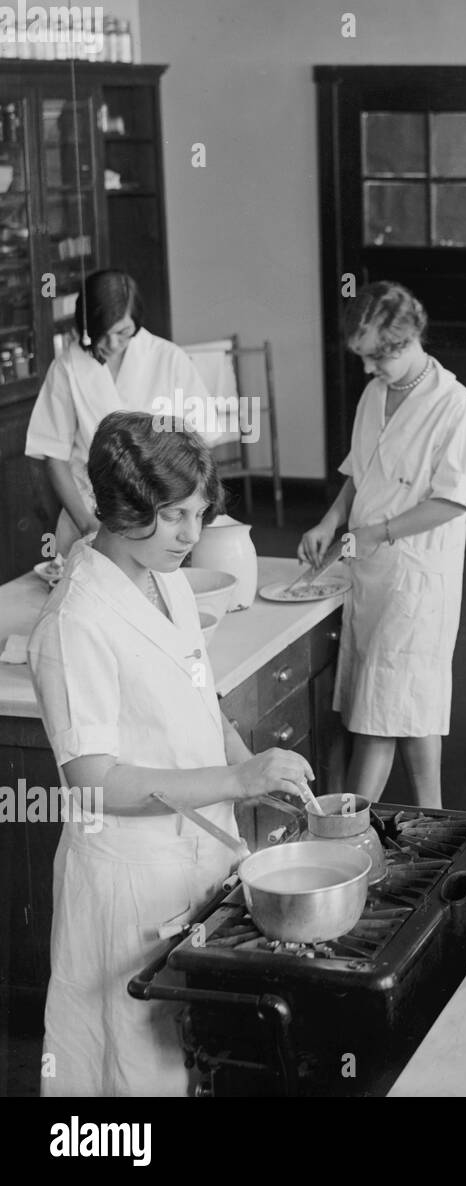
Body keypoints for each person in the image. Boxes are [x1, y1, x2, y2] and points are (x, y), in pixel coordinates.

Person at [27, 411, 315, 1097]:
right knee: (131, 1076)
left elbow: (199, 699)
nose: (193, 535)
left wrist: (249, 768)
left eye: (198, 514)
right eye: (174, 517)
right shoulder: (76, 620)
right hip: (129, 884)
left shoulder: (170, 581)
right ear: (123, 510)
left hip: (199, 858)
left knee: (197, 1062)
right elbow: (93, 782)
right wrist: (238, 778)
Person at [299, 282, 466, 808]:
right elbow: (360, 472)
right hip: (371, 571)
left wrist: (372, 534)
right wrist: (329, 522)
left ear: (408, 340)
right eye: (361, 357)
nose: (366, 369)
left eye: (376, 357)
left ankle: (343, 836)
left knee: (380, 716)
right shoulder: (375, 393)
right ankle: (438, 830)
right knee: (413, 710)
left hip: (417, 578)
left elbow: (450, 502)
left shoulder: (457, 407)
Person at [26, 270, 218, 556]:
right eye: (103, 333)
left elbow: (202, 443)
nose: (113, 343)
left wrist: (184, 512)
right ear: (86, 323)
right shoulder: (67, 367)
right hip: (88, 512)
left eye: (124, 332)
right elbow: (54, 457)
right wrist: (87, 523)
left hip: (160, 515)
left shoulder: (168, 358)